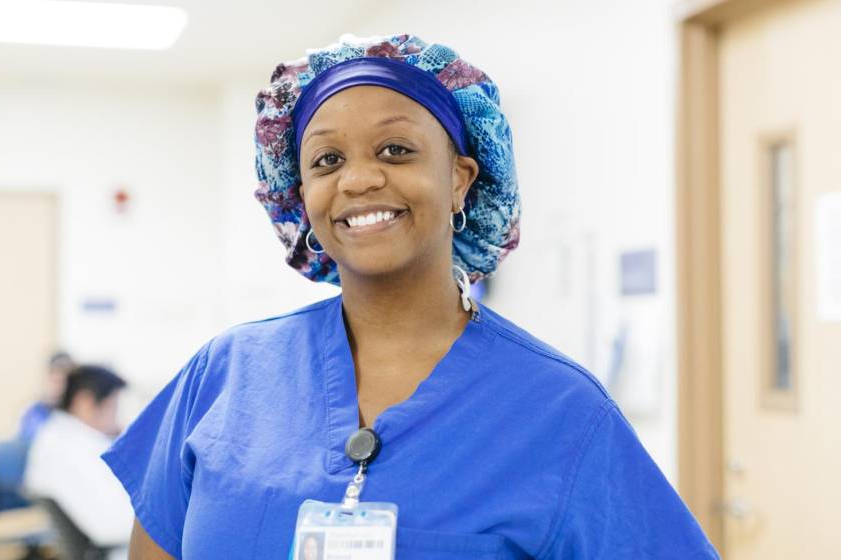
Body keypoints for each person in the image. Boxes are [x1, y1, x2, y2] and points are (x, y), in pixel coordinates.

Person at [102, 34, 719, 559]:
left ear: (459, 179)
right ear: (300, 193)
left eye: (395, 150)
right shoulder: (226, 374)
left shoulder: (561, 412)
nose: (359, 178)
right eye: (326, 159)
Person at [25, 365, 132, 558]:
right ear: (84, 403)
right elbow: (111, 527)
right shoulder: (65, 448)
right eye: (113, 406)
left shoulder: (71, 438)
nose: (117, 419)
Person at [18, 351, 75, 442]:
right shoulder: (33, 412)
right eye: (55, 379)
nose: (59, 385)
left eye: (64, 379)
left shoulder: (77, 414)